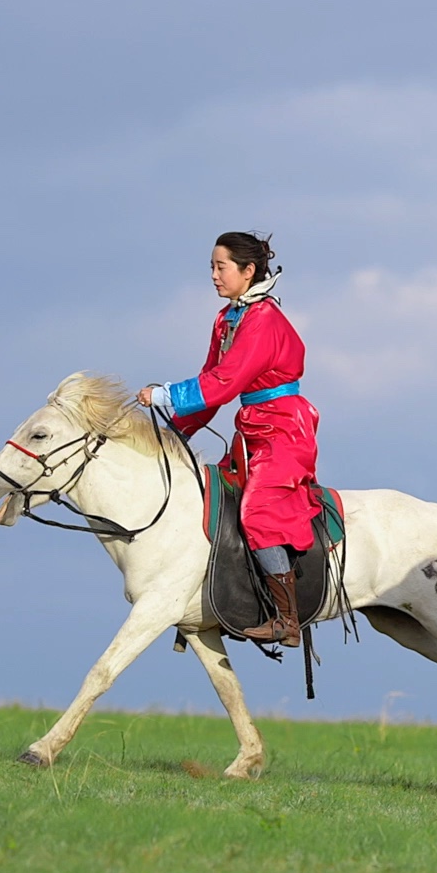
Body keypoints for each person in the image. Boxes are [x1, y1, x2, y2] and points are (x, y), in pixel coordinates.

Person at [141, 232, 320, 647]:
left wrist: (163, 395)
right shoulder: (228, 319)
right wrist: (169, 436)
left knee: (258, 511)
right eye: (212, 267)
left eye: (220, 267)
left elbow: (222, 384)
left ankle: (287, 621)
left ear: (248, 271)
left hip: (284, 431)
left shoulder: (263, 320)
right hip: (252, 427)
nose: (214, 275)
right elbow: (211, 386)